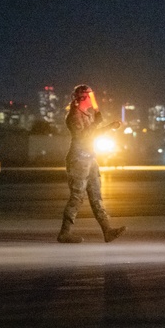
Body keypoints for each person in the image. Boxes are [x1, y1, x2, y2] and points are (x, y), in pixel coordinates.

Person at [57, 84, 125, 243]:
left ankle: (107, 231)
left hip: (89, 159)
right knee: (77, 197)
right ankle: (64, 233)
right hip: (78, 160)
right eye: (90, 96)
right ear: (83, 98)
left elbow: (93, 134)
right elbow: (82, 136)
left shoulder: (86, 115)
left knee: (96, 197)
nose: (92, 99)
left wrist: (109, 127)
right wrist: (96, 123)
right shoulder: (74, 116)